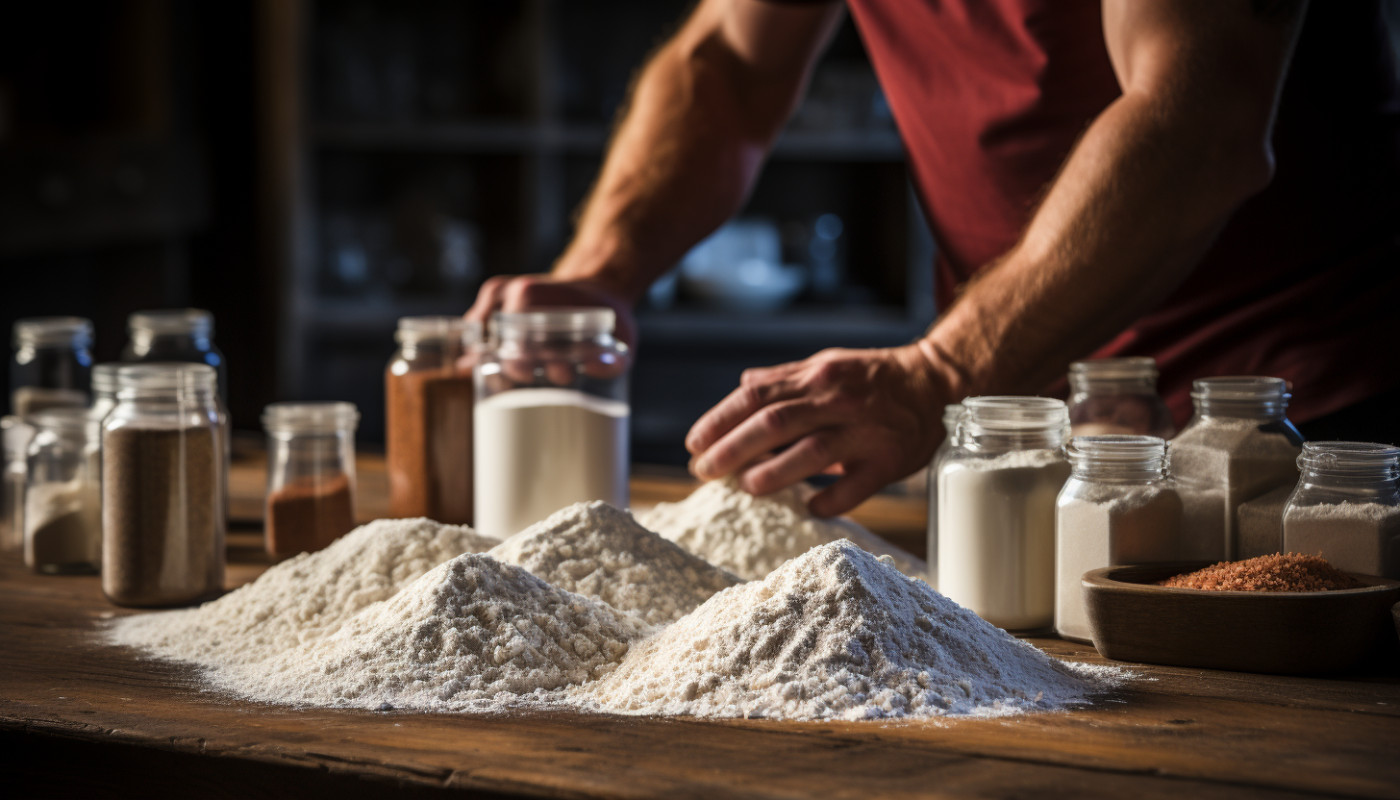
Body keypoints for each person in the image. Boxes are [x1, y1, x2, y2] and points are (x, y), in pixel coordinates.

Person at [469, 0, 1400, 515]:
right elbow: (728, 63)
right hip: (1031, 427)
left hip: (1307, 433)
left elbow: (1202, 125)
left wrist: (941, 372)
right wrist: (600, 273)